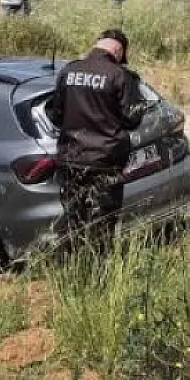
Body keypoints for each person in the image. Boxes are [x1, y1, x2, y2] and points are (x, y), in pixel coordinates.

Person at [43, 29, 143, 254]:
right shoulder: (119, 76)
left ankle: (75, 270)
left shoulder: (69, 71)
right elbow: (132, 118)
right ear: (118, 50)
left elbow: (55, 114)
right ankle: (99, 275)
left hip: (72, 159)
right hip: (105, 161)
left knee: (74, 219)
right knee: (103, 223)